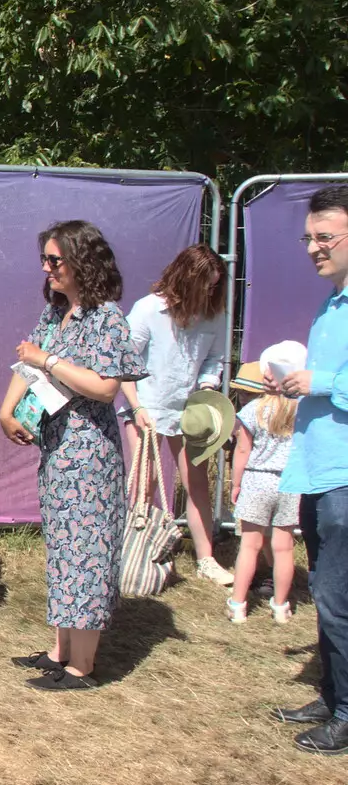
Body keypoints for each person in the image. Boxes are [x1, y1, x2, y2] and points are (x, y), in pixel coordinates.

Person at [0, 220, 145, 690]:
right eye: (44, 259)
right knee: (64, 550)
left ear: (82, 260)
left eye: (54, 260)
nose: (46, 268)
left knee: (88, 553)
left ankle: (82, 667)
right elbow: (28, 359)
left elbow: (105, 388)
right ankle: (59, 650)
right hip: (58, 450)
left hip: (90, 455)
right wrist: (6, 410)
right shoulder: (55, 313)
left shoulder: (107, 319)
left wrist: (49, 362)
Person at [271, 185, 348, 754]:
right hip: (318, 469)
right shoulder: (331, 306)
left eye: (325, 238)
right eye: (309, 237)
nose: (313, 249)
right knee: (326, 593)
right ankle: (333, 693)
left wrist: (320, 383)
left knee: (339, 597)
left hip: (344, 477)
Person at [118, 244, 231, 584]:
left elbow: (213, 360)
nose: (209, 292)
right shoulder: (149, 309)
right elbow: (123, 362)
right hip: (145, 408)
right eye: (204, 286)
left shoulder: (215, 313)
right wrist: (136, 408)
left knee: (196, 483)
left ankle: (206, 558)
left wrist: (209, 386)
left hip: (190, 413)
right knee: (145, 483)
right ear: (185, 279)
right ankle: (135, 555)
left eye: (214, 286)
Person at [227, 355, 300, 624]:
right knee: (283, 547)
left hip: (257, 480)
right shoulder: (299, 410)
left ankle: (237, 604)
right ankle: (281, 606)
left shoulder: (251, 411)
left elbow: (242, 449)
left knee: (249, 545)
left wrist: (236, 483)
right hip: (290, 483)